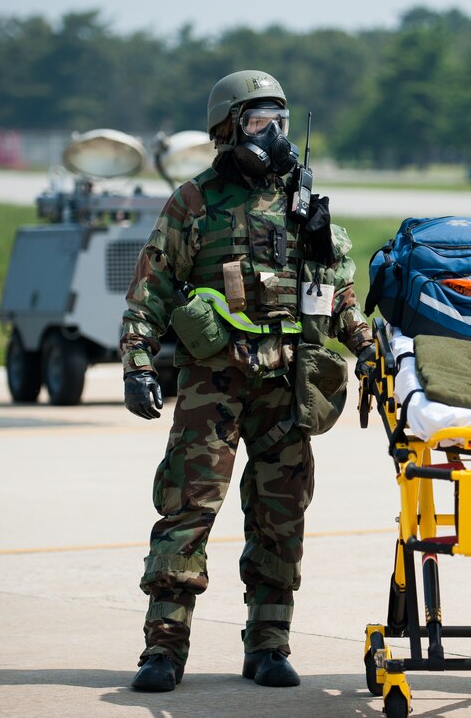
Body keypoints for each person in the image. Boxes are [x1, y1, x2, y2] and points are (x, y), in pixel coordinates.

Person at [120, 69, 375, 692]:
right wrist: (138, 362)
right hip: (214, 381)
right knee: (187, 507)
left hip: (287, 384)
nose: (275, 134)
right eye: (260, 121)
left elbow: (337, 294)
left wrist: (368, 347)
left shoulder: (305, 201)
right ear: (228, 128)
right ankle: (163, 648)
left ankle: (268, 643)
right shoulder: (195, 201)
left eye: (280, 121)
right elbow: (151, 286)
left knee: (280, 514)